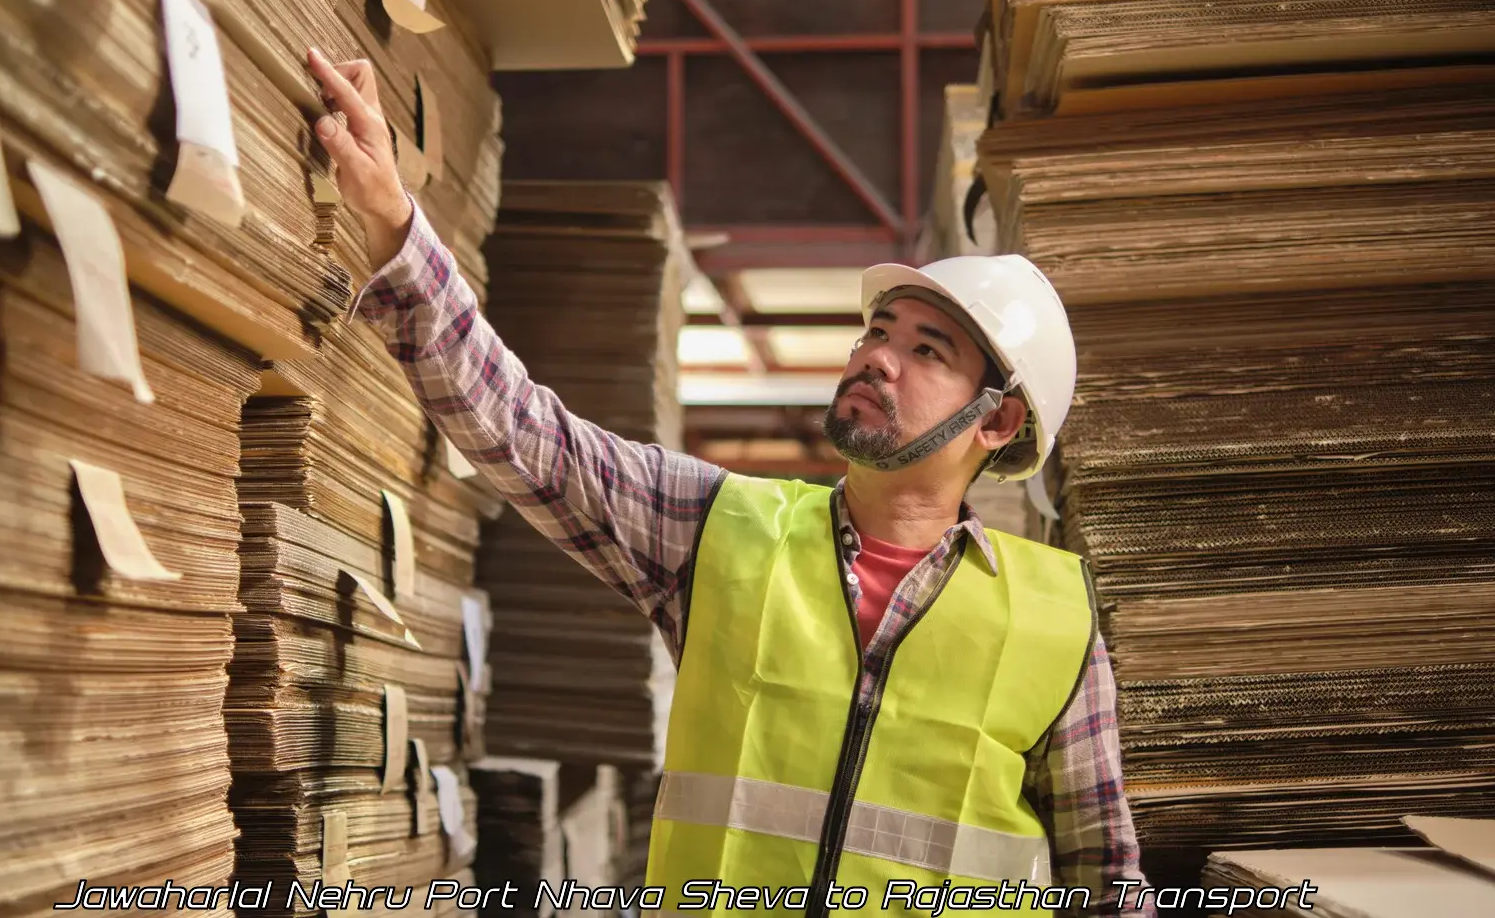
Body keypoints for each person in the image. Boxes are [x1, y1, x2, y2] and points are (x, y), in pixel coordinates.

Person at [306, 49, 1158, 917]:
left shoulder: (1053, 619)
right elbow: (527, 434)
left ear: (998, 423)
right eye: (877, 331)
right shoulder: (723, 527)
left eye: (925, 351)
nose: (875, 358)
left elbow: (1106, 878)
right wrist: (392, 222)